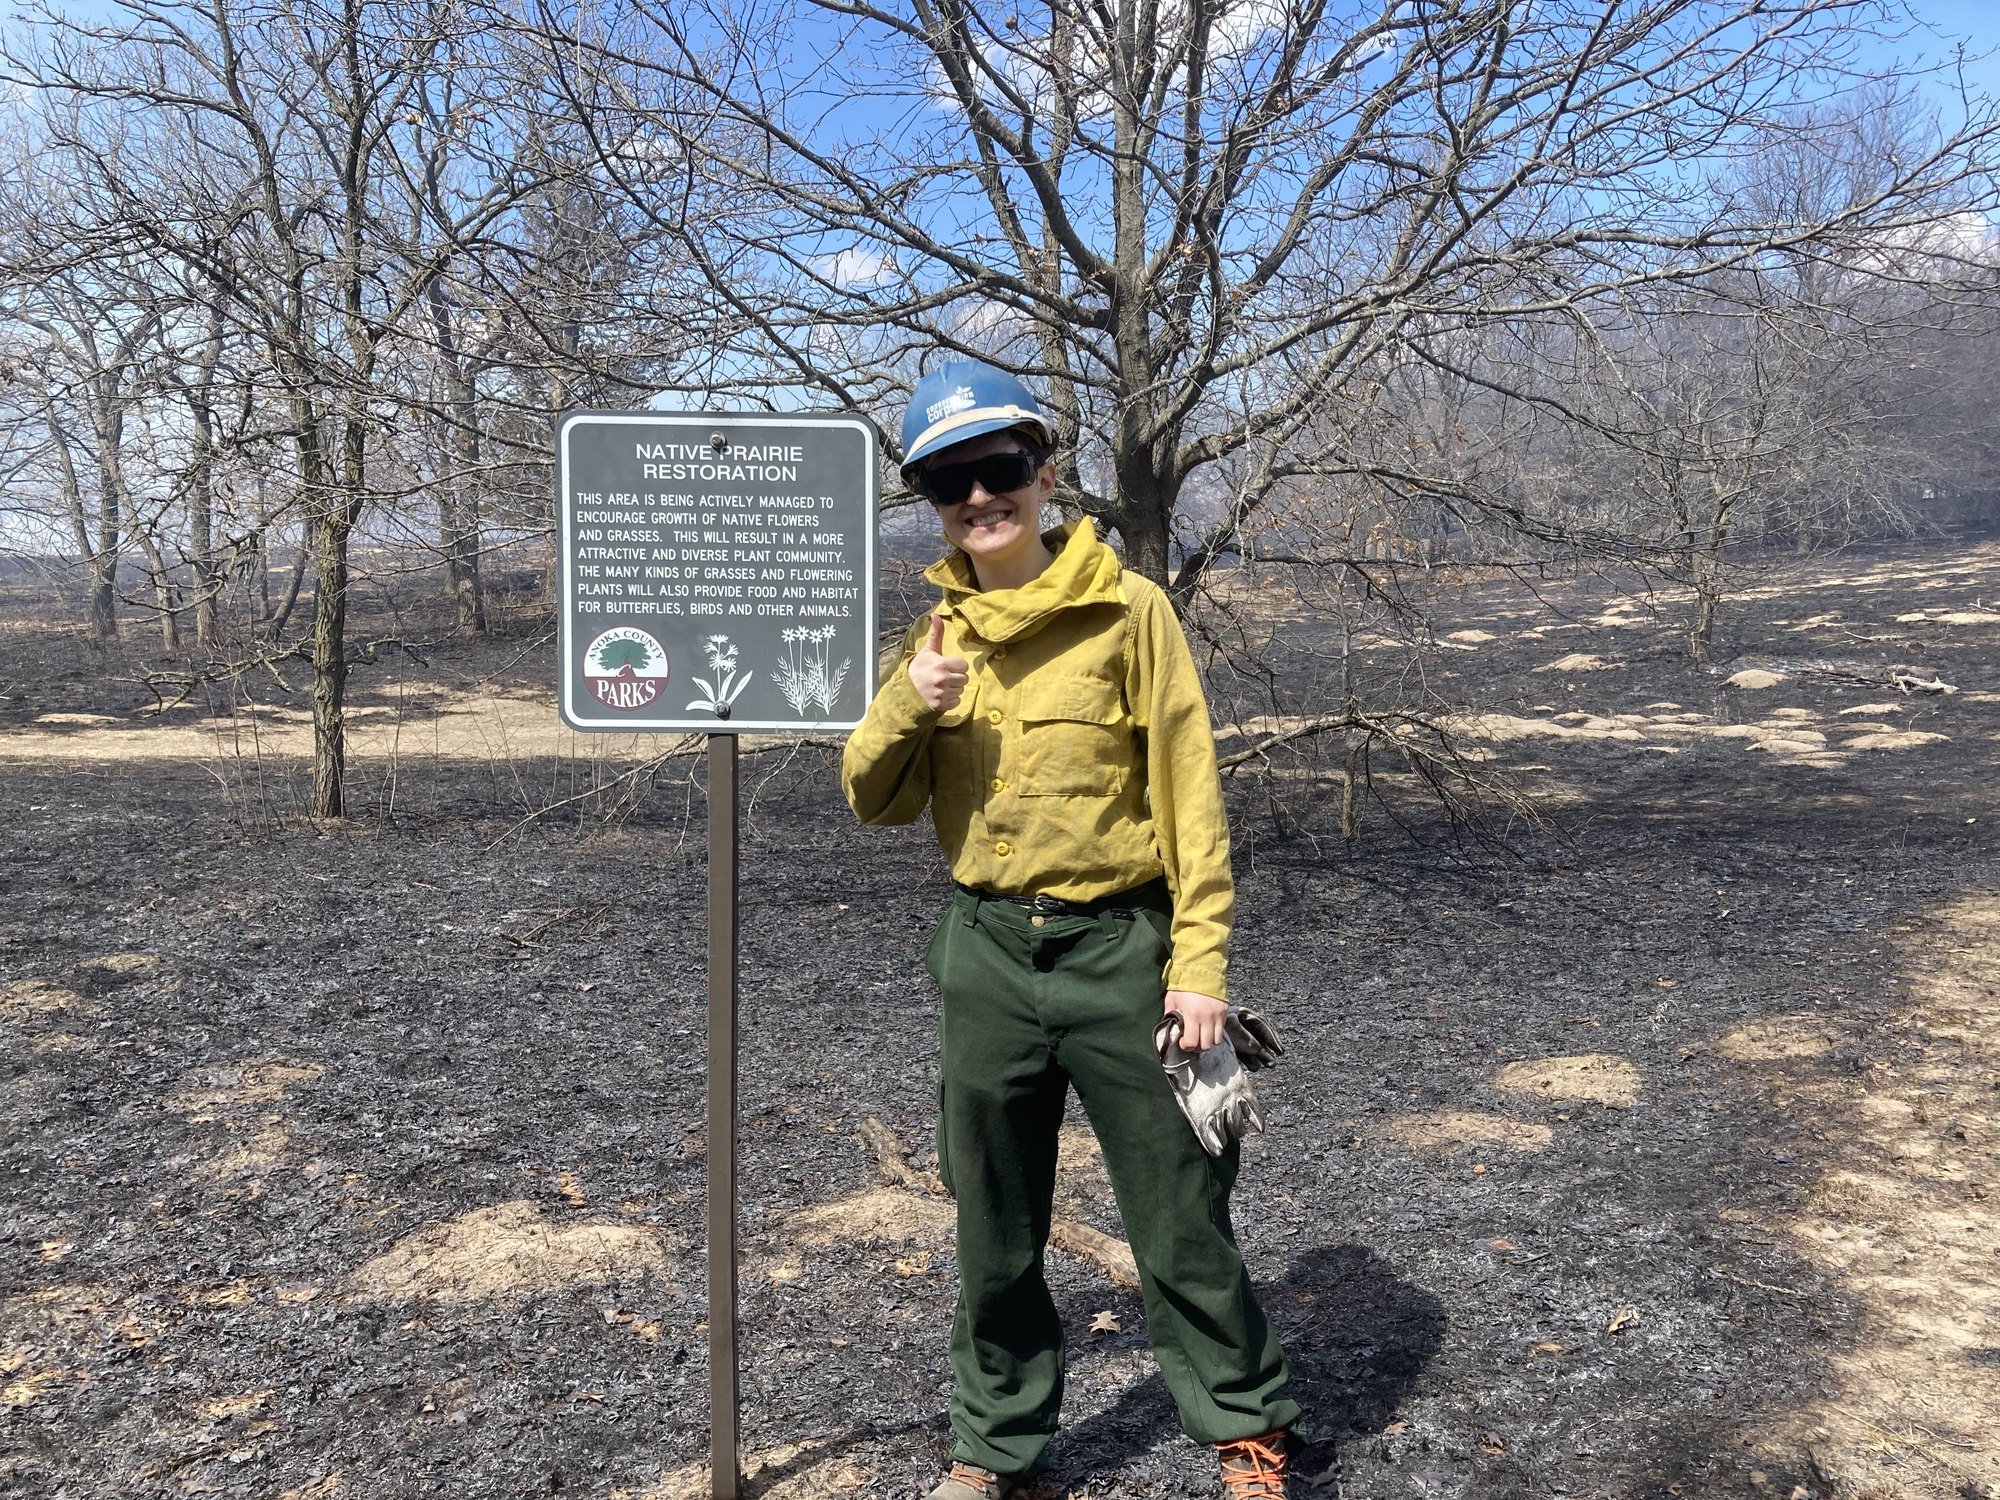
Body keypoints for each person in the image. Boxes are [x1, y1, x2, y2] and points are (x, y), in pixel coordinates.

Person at [840, 364, 1301, 1499]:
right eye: (949, 481)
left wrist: (1197, 968)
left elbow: (1189, 797)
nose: (977, 496)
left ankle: (1245, 1431)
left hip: (1121, 956)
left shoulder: (1127, 608)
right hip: (988, 953)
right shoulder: (936, 634)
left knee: (1180, 1212)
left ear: (1043, 475)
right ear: (931, 501)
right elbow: (871, 796)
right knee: (992, 1220)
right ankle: (993, 1443)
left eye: (997, 470)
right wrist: (913, 696)